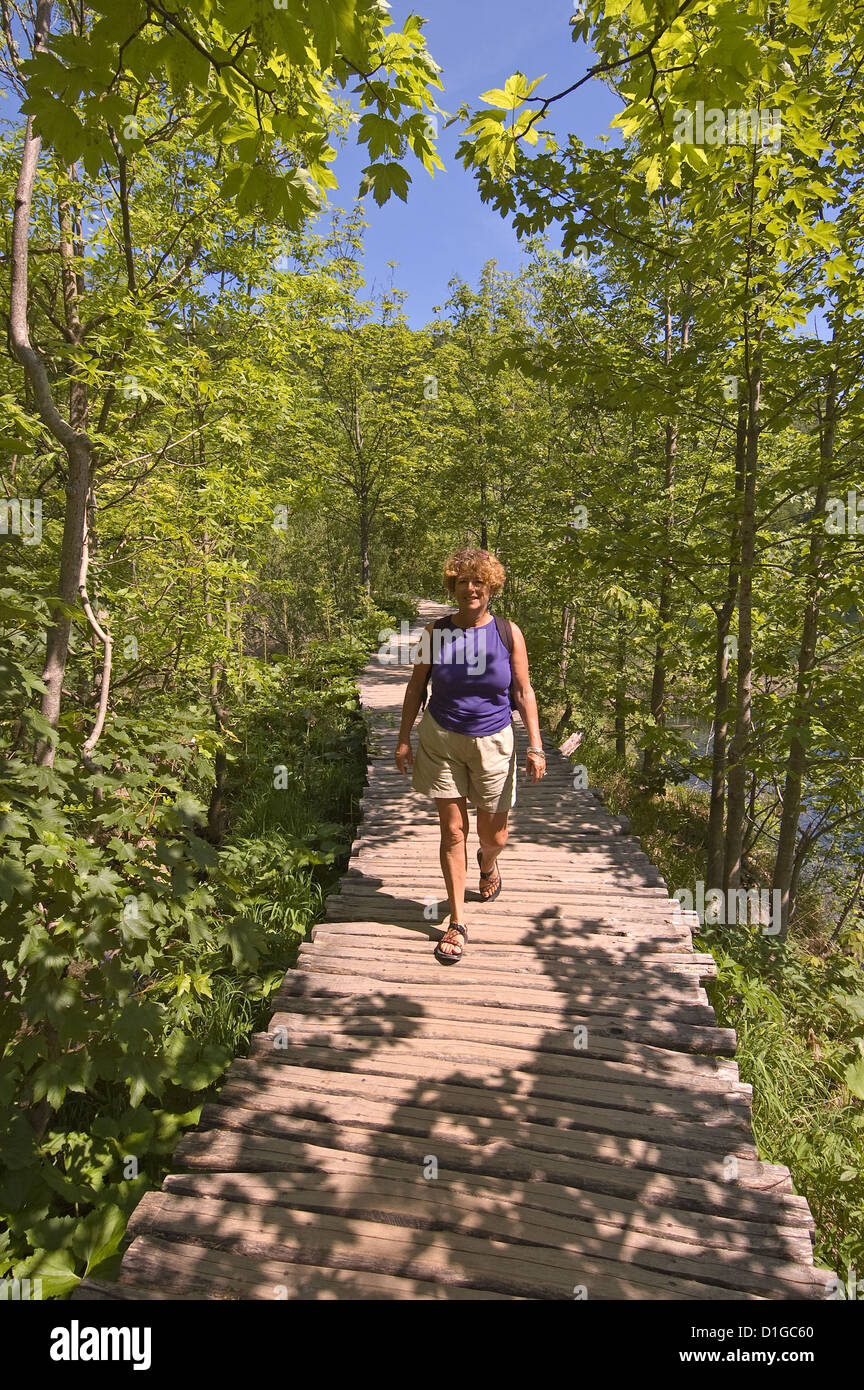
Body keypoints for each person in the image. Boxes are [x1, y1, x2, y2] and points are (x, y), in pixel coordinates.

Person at [394, 548, 547, 963]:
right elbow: (415, 688)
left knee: (492, 836)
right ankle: (457, 922)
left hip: (494, 740)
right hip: (441, 737)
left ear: (491, 586)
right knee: (453, 831)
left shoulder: (508, 633)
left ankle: (488, 862)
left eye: (478, 581)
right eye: (462, 582)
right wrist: (404, 738)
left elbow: (522, 692)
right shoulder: (435, 633)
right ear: (453, 587)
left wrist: (535, 744)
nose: (470, 589)